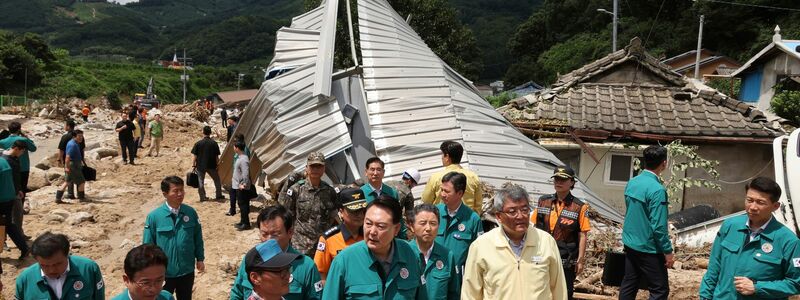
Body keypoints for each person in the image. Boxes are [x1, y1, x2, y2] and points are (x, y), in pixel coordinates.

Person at [699, 177, 800, 299]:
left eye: (760, 202)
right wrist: (705, 297)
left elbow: (796, 283)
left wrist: (757, 288)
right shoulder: (730, 226)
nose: (752, 207)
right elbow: (713, 269)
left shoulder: (788, 241)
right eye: (749, 200)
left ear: (775, 206)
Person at [462, 185, 567, 299]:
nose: (520, 216)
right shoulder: (481, 246)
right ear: (499, 216)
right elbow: (470, 294)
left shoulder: (546, 242)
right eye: (512, 212)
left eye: (525, 210)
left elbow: (558, 289)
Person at [322, 197, 428, 299]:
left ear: (396, 229)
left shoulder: (412, 255)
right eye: (368, 223)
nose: (372, 232)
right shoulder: (344, 261)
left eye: (381, 226)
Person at [230, 206, 323, 300]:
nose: (269, 240)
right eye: (264, 234)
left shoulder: (306, 266)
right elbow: (237, 294)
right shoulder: (251, 260)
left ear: (290, 232)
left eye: (275, 234)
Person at [619, 145, 674, 300]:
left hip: (630, 243)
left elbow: (630, 210)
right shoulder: (657, 190)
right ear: (664, 163)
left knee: (629, 282)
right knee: (660, 290)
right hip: (648, 248)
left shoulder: (633, 182)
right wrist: (668, 251)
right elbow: (658, 226)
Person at [531, 166, 591, 300]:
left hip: (566, 257)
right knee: (539, 289)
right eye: (556, 179)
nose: (559, 182)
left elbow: (583, 234)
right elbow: (533, 226)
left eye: (563, 179)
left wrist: (580, 260)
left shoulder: (580, 206)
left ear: (572, 182)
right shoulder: (543, 201)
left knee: (564, 292)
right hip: (542, 253)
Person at [143, 176, 205, 300]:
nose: (180, 194)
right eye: (176, 191)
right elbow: (148, 246)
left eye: (182, 190)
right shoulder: (154, 217)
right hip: (164, 273)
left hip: (186, 270)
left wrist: (200, 258)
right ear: (165, 194)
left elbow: (197, 237)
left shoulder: (190, 212)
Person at [277, 152, 337, 256]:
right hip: (300, 245)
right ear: (306, 168)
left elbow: (333, 216)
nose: (315, 169)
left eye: (319, 166)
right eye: (312, 166)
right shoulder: (296, 189)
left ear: (324, 169)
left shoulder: (329, 191)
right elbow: (285, 214)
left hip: (322, 244)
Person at [15, 232, 105, 299]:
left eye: (57, 264)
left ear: (67, 255)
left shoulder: (88, 269)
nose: (51, 270)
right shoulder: (25, 280)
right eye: (44, 265)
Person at [408, 203, 460, 299]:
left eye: (433, 223)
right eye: (423, 223)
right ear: (412, 227)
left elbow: (453, 294)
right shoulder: (404, 253)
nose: (428, 228)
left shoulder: (447, 256)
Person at [435, 171, 482, 276]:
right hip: (435, 275)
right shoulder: (435, 213)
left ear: (460, 193)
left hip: (458, 279)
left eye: (447, 191)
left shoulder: (473, 219)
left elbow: (479, 253)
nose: (442, 194)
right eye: (441, 190)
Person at [314, 188, 366, 283]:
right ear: (341, 212)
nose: (360, 215)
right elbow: (321, 273)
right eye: (354, 211)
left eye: (362, 210)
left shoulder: (370, 235)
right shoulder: (328, 239)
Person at [422, 141, 484, 215]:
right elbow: (478, 205)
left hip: (442, 221)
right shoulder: (473, 177)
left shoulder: (435, 177)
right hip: (466, 221)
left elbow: (426, 201)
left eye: (442, 154)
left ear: (447, 157)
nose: (441, 157)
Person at [0, 143, 29, 260]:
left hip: (2, 199)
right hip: (9, 197)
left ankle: (24, 248)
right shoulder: (4, 161)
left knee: (7, 224)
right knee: (7, 224)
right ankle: (23, 248)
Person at [0, 122, 36, 199]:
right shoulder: (23, 139)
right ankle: (20, 208)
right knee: (22, 189)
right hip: (23, 168)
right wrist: (26, 137)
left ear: (9, 129)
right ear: (19, 129)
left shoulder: (3, 141)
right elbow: (33, 148)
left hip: (8, 167)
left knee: (10, 188)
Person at [191, 126, 223, 202]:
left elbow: (195, 156)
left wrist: (193, 165)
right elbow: (216, 156)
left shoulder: (198, 143)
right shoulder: (214, 143)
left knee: (200, 181)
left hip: (200, 166)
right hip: (212, 165)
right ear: (210, 133)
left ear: (203, 132)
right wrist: (218, 164)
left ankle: (203, 197)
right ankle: (218, 195)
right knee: (217, 180)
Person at [2, 140, 28, 238]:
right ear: (16, 149)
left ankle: (19, 235)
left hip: (15, 191)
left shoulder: (15, 158)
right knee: (5, 217)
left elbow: (16, 176)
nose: (22, 154)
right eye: (22, 151)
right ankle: (3, 239)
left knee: (18, 214)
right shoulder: (5, 160)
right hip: (7, 192)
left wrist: (19, 189)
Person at [56, 130, 86, 203]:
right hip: (73, 165)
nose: (81, 138)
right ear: (74, 136)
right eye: (79, 136)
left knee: (67, 182)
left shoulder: (74, 143)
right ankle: (81, 198)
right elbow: (67, 157)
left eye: (82, 136)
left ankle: (58, 198)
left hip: (74, 164)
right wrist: (66, 167)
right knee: (81, 182)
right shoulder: (72, 145)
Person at [230, 140, 252, 230]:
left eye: (234, 146)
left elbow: (246, 173)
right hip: (237, 185)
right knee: (241, 204)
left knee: (243, 205)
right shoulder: (240, 157)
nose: (233, 148)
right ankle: (242, 221)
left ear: (237, 148)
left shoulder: (243, 159)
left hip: (242, 186)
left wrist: (244, 184)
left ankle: (246, 223)